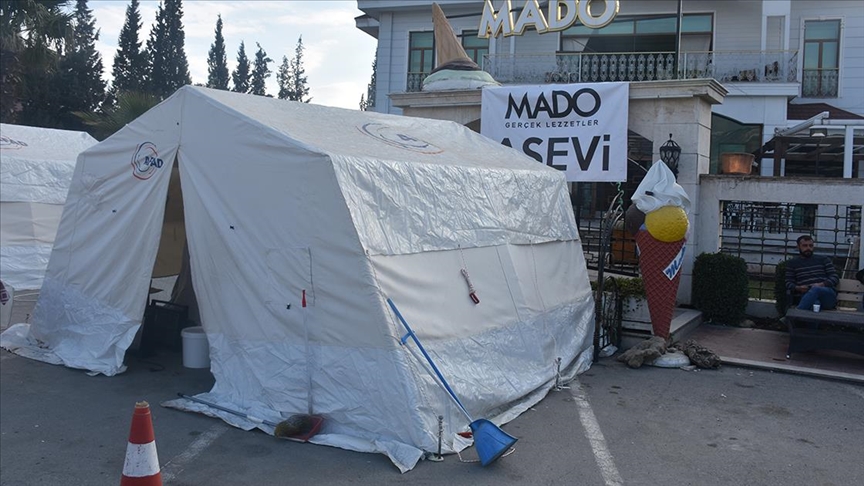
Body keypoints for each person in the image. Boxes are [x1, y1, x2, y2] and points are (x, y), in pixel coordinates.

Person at [785, 235, 839, 310]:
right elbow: (788, 282)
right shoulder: (792, 263)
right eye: (805, 246)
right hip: (807, 295)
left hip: (826, 295)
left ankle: (795, 313)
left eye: (811, 246)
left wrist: (822, 284)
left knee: (816, 289)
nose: (808, 248)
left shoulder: (823, 259)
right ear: (798, 247)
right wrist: (798, 288)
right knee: (815, 304)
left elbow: (835, 277)